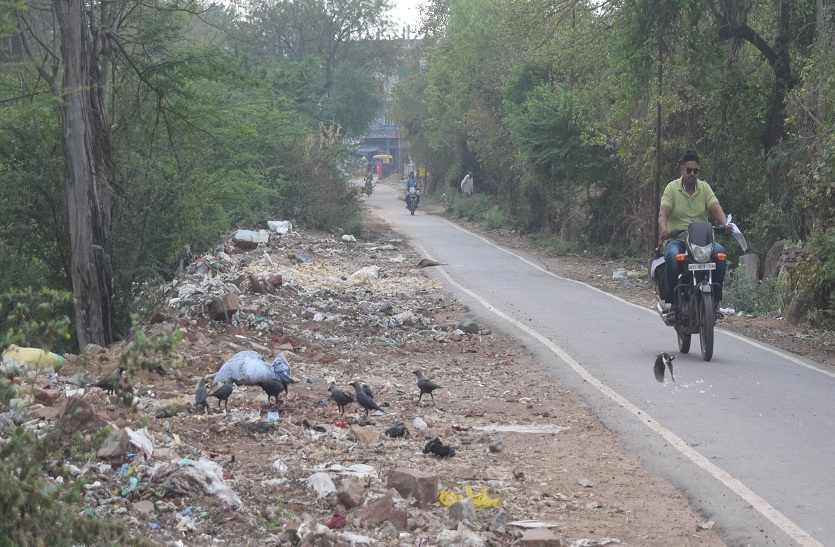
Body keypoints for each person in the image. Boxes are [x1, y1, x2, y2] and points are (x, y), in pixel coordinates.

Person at [658, 150, 731, 316]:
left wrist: (725, 223)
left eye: (695, 171)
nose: (692, 174)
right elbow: (663, 214)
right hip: (679, 240)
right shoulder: (672, 188)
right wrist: (664, 229)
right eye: (689, 170)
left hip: (702, 241)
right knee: (671, 256)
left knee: (720, 254)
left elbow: (716, 208)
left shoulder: (704, 188)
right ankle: (674, 304)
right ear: (682, 170)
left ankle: (715, 302)